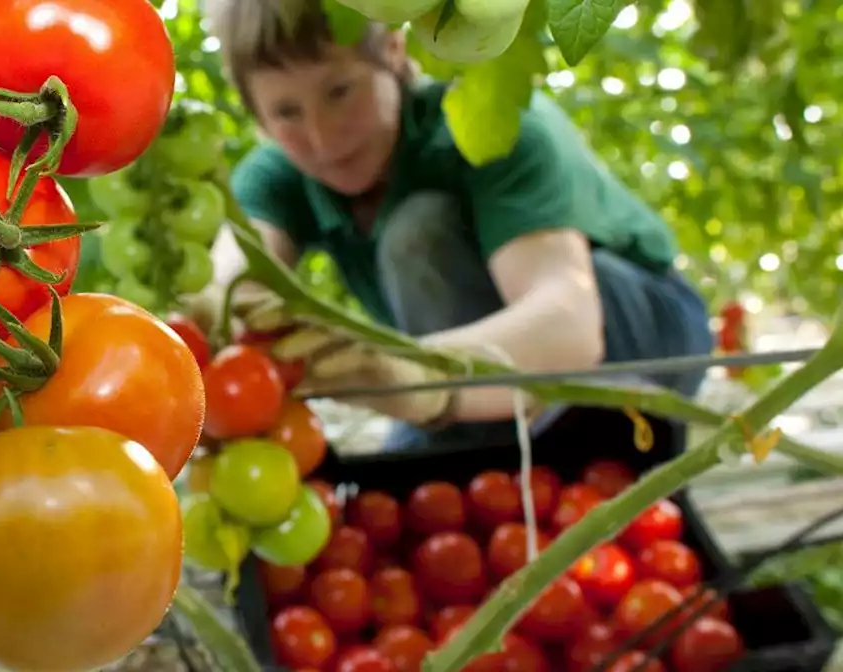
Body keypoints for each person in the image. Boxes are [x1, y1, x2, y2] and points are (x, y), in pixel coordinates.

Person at [186, 0, 714, 451]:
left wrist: (410, 377)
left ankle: (522, 448)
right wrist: (201, 340)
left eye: (340, 91)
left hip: (644, 336)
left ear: (394, 51)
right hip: (478, 366)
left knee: (418, 232)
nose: (322, 138)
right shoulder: (277, 176)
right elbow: (236, 279)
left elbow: (567, 325)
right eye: (285, 112)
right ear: (256, 116)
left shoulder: (493, 130)